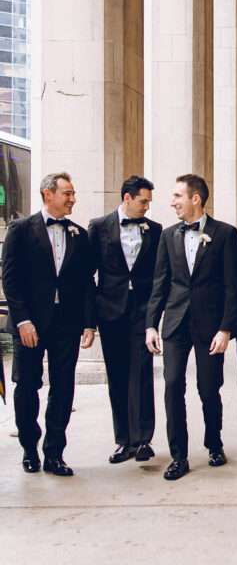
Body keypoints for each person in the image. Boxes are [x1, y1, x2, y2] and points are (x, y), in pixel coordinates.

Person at [145, 174, 237, 480]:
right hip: (174, 324)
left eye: (177, 196)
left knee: (208, 388)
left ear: (195, 199)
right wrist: (151, 325)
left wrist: (226, 329)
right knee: (173, 385)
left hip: (210, 326)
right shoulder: (168, 234)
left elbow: (231, 286)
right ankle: (179, 456)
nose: (172, 202)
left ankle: (214, 443)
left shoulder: (225, 233)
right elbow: (160, 283)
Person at [2, 172, 96, 475]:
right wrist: (23, 321)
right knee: (27, 385)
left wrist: (88, 323)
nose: (73, 199)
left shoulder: (80, 235)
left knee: (63, 386)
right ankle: (30, 449)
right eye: (67, 193)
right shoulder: (20, 229)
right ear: (48, 194)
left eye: (73, 193)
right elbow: (10, 280)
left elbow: (85, 283)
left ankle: (55, 453)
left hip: (66, 323)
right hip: (29, 324)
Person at [88, 175, 162, 465]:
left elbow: (159, 274)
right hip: (110, 310)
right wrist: (89, 319)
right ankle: (124, 441)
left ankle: (144, 439)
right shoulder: (98, 226)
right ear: (127, 198)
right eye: (143, 201)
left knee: (142, 373)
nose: (147, 207)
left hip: (142, 310)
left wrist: (154, 315)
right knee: (117, 376)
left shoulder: (155, 230)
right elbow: (87, 274)